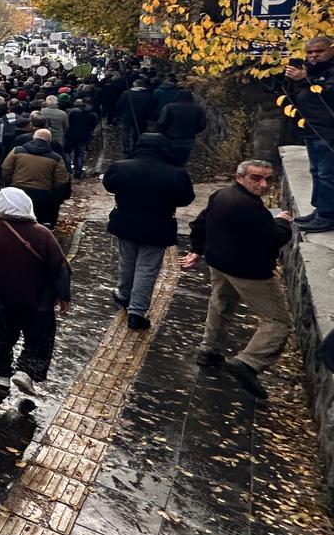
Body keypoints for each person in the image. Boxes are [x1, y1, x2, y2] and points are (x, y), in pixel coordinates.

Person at [183, 160, 294, 399]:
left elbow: (200, 223)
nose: (263, 184)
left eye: (268, 179)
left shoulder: (221, 195)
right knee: (277, 320)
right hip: (249, 270)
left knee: (221, 303)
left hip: (219, 262)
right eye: (256, 178)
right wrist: (283, 222)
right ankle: (249, 362)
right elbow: (274, 238)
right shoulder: (248, 207)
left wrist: (197, 249)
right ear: (239, 177)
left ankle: (209, 350)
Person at [0, 189, 71, 396]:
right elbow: (60, 266)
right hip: (38, 298)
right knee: (39, 337)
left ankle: (2, 377)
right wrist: (63, 295)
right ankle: (26, 372)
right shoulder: (41, 232)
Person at [103, 134, 195, 329]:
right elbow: (185, 198)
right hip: (158, 225)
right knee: (147, 268)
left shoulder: (120, 167)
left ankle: (124, 294)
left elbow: (109, 185)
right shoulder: (176, 173)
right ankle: (137, 311)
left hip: (125, 222)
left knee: (127, 261)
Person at [284, 34, 334, 232]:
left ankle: (327, 215)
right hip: (312, 129)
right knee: (316, 172)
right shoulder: (310, 71)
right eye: (310, 52)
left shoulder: (328, 72)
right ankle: (320, 209)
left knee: (327, 174)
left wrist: (304, 80)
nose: (313, 56)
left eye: (319, 51)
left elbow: (328, 93)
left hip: (328, 131)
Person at [1, 126, 71, 226]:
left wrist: (12, 183)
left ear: (33, 137)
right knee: (37, 222)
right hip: (42, 195)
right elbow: (62, 179)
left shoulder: (16, 151)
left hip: (18, 191)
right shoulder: (56, 158)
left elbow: (6, 169)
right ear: (49, 141)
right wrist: (50, 189)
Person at [155, 89, 207, 167]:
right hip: (188, 138)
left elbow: (161, 122)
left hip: (170, 137)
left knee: (169, 159)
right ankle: (179, 172)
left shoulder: (169, 107)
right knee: (182, 160)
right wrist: (194, 131)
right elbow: (202, 124)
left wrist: (163, 131)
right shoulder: (198, 108)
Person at [64, 97, 99, 179]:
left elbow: (67, 122)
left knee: (67, 152)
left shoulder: (73, 111)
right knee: (79, 154)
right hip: (84, 136)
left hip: (71, 135)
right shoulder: (93, 115)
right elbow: (93, 127)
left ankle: (68, 169)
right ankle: (78, 172)